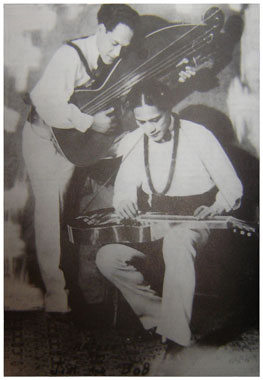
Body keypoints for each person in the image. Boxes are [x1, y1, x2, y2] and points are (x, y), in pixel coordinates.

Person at [95, 79, 243, 347]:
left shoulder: (198, 135)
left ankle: (175, 336)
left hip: (196, 221)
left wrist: (216, 207)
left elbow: (232, 187)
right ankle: (159, 317)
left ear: (168, 109)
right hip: (153, 225)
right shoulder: (135, 140)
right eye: (141, 122)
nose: (148, 129)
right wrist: (125, 200)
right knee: (107, 257)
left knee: (177, 242)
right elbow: (124, 189)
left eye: (155, 119)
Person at [22, 4, 141, 314]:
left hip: (76, 143)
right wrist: (90, 122)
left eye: (124, 46)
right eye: (114, 43)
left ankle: (90, 288)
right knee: (51, 213)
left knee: (133, 146)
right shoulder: (69, 56)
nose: (117, 53)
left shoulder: (113, 57)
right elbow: (44, 102)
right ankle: (56, 296)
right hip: (43, 140)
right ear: (100, 29)